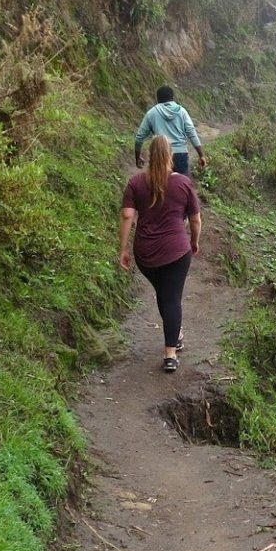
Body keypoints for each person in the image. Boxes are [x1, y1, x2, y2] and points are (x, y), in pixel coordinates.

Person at [120, 136, 202, 373]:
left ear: (150, 154)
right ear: (170, 156)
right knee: (172, 297)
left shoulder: (136, 183)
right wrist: (194, 241)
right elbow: (195, 219)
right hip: (177, 250)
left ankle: (174, 337)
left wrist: (123, 248)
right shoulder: (183, 184)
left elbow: (127, 216)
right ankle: (170, 354)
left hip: (146, 253)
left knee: (164, 293)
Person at [134, 85, 208, 176]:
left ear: (158, 99)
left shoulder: (151, 113)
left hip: (160, 155)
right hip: (180, 155)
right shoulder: (182, 112)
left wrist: (137, 157)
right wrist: (201, 155)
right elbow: (191, 133)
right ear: (172, 98)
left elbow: (139, 137)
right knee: (181, 186)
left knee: (159, 186)